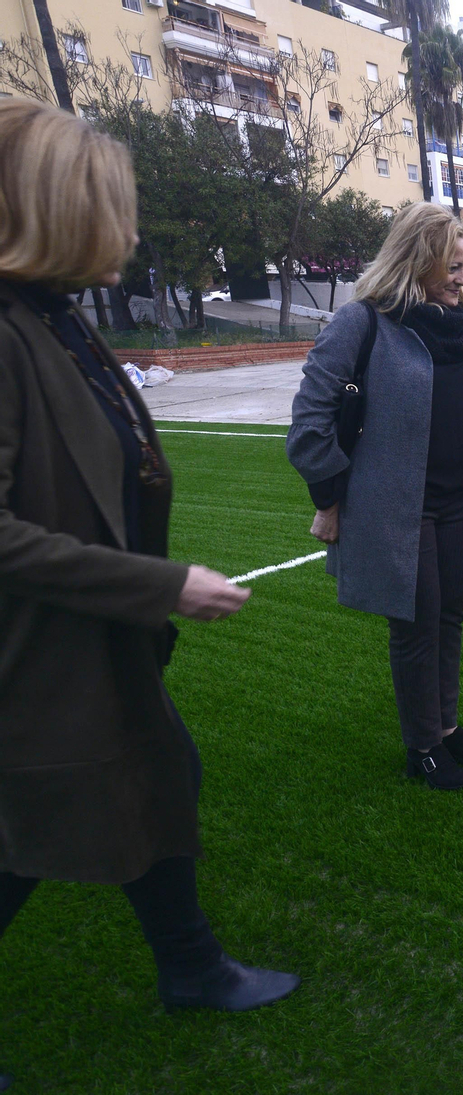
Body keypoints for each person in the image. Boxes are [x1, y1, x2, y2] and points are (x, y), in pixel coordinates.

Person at [0, 98, 299, 1072]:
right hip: (34, 653)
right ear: (57, 211)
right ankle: (194, 966)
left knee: (163, 770)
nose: (131, 233)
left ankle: (192, 966)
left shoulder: (53, 320)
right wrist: (159, 585)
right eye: (115, 211)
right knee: (26, 832)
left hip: (87, 638)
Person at [288, 202, 463, 791]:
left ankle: (446, 727)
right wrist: (331, 495)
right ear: (416, 262)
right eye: (453, 268)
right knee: (416, 626)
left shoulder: (460, 325)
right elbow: (309, 422)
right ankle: (423, 746)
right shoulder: (361, 322)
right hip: (397, 510)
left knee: (450, 617)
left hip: (460, 502)